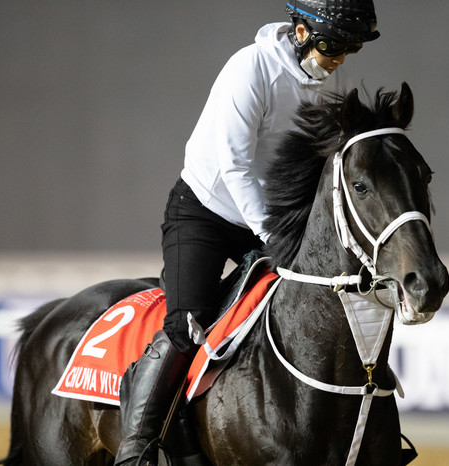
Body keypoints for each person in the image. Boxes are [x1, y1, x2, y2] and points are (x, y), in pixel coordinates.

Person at [115, 1, 381, 465]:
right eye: (334, 46)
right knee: (188, 324)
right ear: (302, 32)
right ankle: (136, 447)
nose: (340, 58)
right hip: (203, 214)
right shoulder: (250, 68)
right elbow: (234, 168)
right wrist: (276, 236)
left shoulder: (323, 79)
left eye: (350, 49)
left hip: (267, 220)